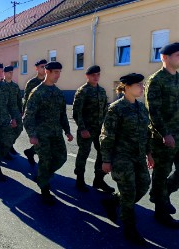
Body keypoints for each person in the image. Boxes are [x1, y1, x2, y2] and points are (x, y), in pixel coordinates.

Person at [100, 73, 154, 245]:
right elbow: (107, 136)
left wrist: (149, 153)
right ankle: (129, 228)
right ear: (127, 87)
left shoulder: (141, 108)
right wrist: (106, 160)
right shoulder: (116, 108)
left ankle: (114, 201)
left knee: (144, 185)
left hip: (138, 156)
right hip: (121, 158)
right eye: (139, 84)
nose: (142, 87)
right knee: (129, 192)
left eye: (142, 84)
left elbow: (146, 133)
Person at [23, 61, 73, 205]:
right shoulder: (37, 92)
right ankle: (44, 189)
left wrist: (67, 131)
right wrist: (32, 134)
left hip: (56, 133)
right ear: (47, 72)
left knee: (61, 157)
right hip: (41, 135)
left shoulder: (58, 92)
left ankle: (42, 176)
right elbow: (28, 115)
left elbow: (62, 114)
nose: (58, 75)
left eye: (59, 72)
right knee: (45, 161)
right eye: (55, 72)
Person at [144, 42, 179, 228]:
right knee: (161, 173)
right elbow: (153, 112)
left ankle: (161, 195)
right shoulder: (156, 80)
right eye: (177, 55)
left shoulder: (178, 78)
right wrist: (165, 133)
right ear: (165, 57)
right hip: (163, 138)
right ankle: (161, 211)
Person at [72, 65, 114, 193]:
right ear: (87, 76)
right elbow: (76, 112)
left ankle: (99, 180)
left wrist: (106, 127)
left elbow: (105, 110)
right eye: (93, 75)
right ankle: (80, 179)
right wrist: (83, 129)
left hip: (99, 129)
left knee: (103, 153)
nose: (96, 77)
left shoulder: (101, 91)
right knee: (83, 153)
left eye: (98, 75)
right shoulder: (82, 91)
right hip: (86, 130)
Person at [22, 59, 47, 166]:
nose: (44, 69)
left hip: (46, 116)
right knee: (40, 140)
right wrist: (24, 113)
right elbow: (26, 99)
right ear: (36, 68)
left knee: (44, 139)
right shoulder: (32, 83)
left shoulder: (48, 81)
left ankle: (30, 152)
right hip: (34, 116)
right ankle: (42, 171)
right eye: (42, 67)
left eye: (46, 67)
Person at [4, 65, 23, 156]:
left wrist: (21, 110)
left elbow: (19, 99)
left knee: (19, 128)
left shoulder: (15, 86)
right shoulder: (1, 85)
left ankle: (10, 144)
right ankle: (5, 149)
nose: (11, 74)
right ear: (4, 73)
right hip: (5, 112)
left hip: (15, 111)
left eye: (12, 72)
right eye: (9, 72)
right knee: (7, 131)